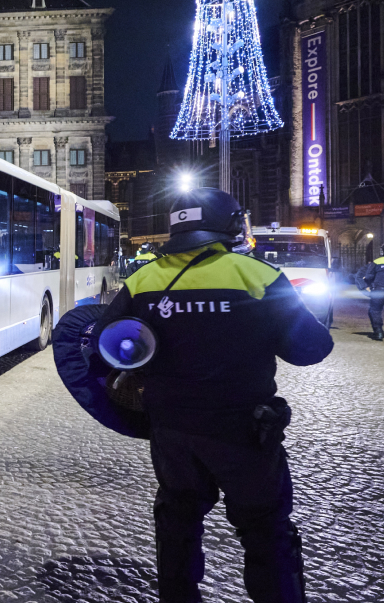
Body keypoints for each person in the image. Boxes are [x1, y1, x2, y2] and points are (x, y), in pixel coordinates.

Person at [104, 188, 333, 603]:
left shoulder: (143, 280)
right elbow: (311, 349)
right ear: (230, 226)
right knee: (266, 532)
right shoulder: (257, 276)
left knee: (177, 523)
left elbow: (108, 346)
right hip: (244, 432)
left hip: (172, 432)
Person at [353, 253, 384, 340]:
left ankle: (378, 332)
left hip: (379, 291)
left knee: (375, 311)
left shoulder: (377, 262)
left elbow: (369, 276)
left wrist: (367, 286)